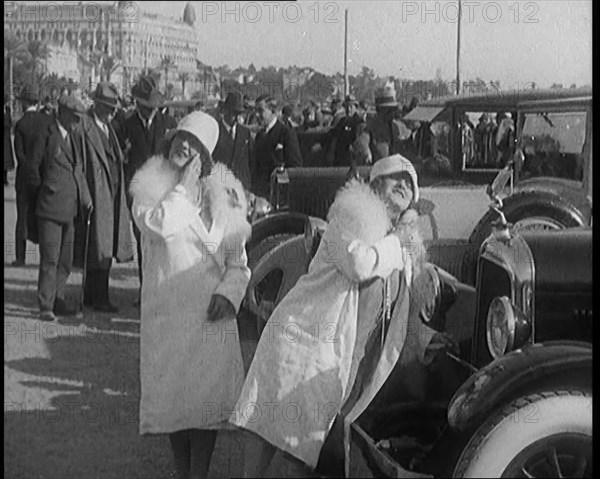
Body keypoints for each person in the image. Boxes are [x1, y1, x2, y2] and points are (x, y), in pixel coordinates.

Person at [232, 154, 428, 477]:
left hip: (335, 358)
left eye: (411, 183)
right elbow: (360, 265)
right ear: (376, 183)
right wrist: (398, 240)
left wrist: (426, 338)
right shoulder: (352, 218)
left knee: (302, 446)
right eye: (397, 178)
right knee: (270, 430)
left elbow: (398, 310)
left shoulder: (395, 247)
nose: (405, 185)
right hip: (301, 339)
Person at [130, 111, 251, 479]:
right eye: (181, 137)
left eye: (194, 143)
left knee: (205, 405)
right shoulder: (149, 189)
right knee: (176, 405)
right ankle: (183, 473)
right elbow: (162, 226)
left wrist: (230, 294)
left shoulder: (225, 195)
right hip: (171, 316)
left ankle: (198, 473)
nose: (184, 145)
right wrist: (182, 187)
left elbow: (238, 261)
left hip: (210, 316)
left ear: (206, 154)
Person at [74, 82, 133, 313]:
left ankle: (95, 295)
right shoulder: (84, 127)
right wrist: (85, 195)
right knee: (98, 246)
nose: (113, 112)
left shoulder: (109, 128)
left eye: (114, 108)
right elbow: (78, 164)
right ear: (97, 105)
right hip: (97, 194)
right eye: (108, 107)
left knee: (106, 244)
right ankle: (98, 297)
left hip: (112, 193)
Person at [115, 76, 174, 302]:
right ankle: (145, 290)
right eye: (147, 106)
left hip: (164, 193)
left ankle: (162, 289)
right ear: (138, 103)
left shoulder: (167, 124)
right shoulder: (126, 126)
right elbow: (122, 159)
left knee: (163, 243)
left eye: (153, 107)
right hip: (139, 195)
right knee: (143, 244)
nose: (150, 111)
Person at [34, 94, 92, 321]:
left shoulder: (74, 137)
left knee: (65, 261)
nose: (78, 122)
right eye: (75, 117)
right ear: (65, 114)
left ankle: (58, 300)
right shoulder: (47, 134)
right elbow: (33, 168)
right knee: (50, 258)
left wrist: (86, 199)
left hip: (70, 208)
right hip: (49, 208)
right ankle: (45, 305)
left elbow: (79, 171)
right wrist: (42, 193)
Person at [12, 84, 52, 266]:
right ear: (37, 103)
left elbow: (19, 154)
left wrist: (28, 167)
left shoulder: (20, 124)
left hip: (24, 179)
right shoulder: (46, 122)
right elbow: (49, 152)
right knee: (44, 218)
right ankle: (45, 256)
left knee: (22, 217)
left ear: (23, 104)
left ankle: (20, 257)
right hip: (42, 177)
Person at [252, 94, 303, 198]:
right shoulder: (259, 136)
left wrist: (281, 185)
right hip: (261, 194)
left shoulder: (286, 133)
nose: (256, 115)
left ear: (273, 111)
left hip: (279, 195)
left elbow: (295, 168)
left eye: (260, 111)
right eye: (255, 111)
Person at [212, 91, 254, 191]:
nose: (235, 118)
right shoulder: (215, 130)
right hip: (220, 188)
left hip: (241, 188)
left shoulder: (245, 133)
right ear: (225, 110)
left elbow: (252, 161)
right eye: (233, 113)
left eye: (238, 114)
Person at [328, 94, 366, 167]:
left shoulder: (360, 122)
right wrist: (331, 152)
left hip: (356, 157)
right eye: (346, 107)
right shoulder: (342, 121)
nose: (349, 109)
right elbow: (335, 138)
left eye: (351, 106)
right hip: (342, 155)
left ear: (355, 107)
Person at [365, 87, 401, 161]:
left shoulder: (395, 127)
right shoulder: (371, 127)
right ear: (380, 110)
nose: (393, 113)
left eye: (393, 109)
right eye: (390, 110)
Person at [4, 100, 15, 186]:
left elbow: (10, 122)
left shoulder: (7, 109)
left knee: (6, 159)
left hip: (6, 138)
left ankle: (5, 178)